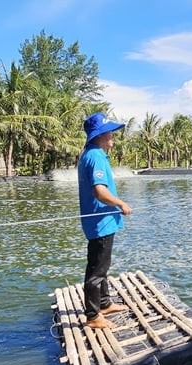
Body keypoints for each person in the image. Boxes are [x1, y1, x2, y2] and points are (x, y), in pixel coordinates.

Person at [77, 112, 132, 329]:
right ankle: (92, 315)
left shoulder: (91, 154)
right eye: (109, 132)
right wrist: (121, 204)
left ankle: (104, 303)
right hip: (101, 222)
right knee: (96, 270)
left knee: (102, 265)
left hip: (101, 222)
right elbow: (100, 192)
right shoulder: (96, 157)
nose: (113, 136)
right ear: (99, 134)